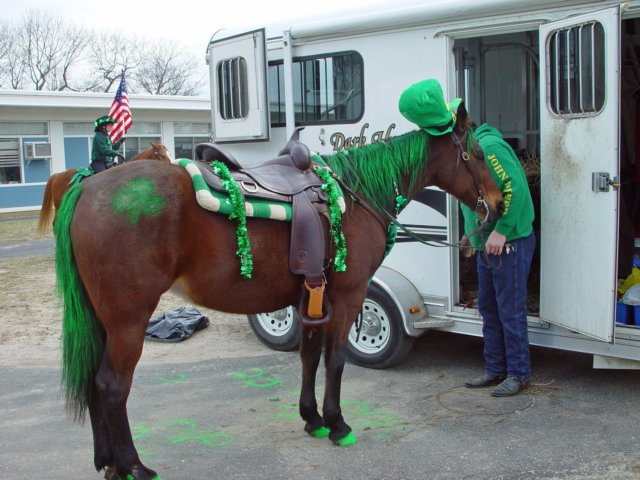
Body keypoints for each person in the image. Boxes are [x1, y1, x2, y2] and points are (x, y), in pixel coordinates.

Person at [461, 123, 535, 397]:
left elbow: (513, 187)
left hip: (510, 244)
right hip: (487, 246)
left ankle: (519, 374)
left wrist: (502, 231)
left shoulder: (488, 149)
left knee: (510, 311)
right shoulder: (467, 153)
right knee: (489, 309)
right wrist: (472, 234)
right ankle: (495, 369)